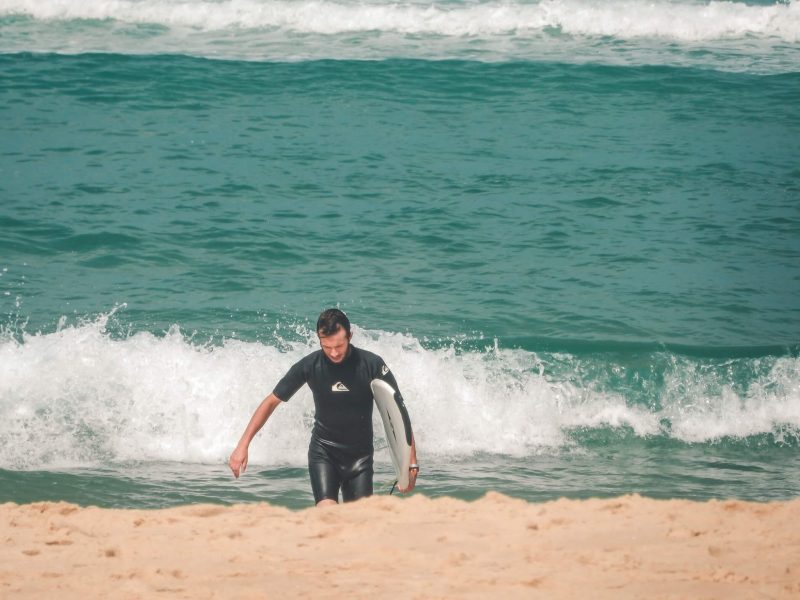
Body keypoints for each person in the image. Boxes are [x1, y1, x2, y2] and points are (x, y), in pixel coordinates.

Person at [229, 308, 418, 507]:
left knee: (359, 520)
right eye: (326, 346)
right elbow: (270, 402)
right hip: (324, 454)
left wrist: (410, 462)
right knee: (328, 513)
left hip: (360, 458)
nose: (334, 353)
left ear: (350, 336)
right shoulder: (310, 365)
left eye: (339, 345)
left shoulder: (372, 364)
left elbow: (398, 412)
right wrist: (243, 445)